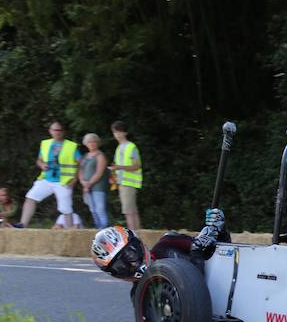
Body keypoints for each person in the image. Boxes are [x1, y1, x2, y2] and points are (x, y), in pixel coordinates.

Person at [92, 208, 230, 284]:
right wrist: (196, 255)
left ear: (138, 243)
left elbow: (218, 252)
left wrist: (218, 229)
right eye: (121, 267)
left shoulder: (168, 243)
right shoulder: (140, 299)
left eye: (130, 254)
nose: (133, 265)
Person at [14, 121, 81, 228]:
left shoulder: (71, 146)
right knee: (30, 197)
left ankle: (70, 232)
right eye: (54, 130)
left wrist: (75, 179)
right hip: (46, 179)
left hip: (63, 181)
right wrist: (41, 165)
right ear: (50, 131)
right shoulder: (45, 144)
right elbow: (39, 160)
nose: (57, 132)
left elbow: (80, 164)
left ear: (63, 132)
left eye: (59, 130)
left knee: (66, 208)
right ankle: (22, 224)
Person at [108, 120, 143, 231]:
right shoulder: (119, 148)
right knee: (132, 211)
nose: (117, 134)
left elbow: (136, 165)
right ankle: (138, 233)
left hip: (128, 183)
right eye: (115, 132)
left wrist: (119, 167)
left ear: (125, 132)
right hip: (123, 182)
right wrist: (114, 176)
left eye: (119, 131)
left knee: (128, 212)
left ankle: (133, 234)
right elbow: (118, 167)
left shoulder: (130, 147)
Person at [78, 133, 110, 228]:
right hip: (87, 186)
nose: (92, 144)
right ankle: (98, 229)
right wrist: (83, 182)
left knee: (100, 209)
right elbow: (80, 171)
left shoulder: (100, 156)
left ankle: (105, 229)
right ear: (86, 143)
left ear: (97, 143)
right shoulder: (84, 156)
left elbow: (99, 172)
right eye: (89, 142)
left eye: (94, 141)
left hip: (98, 187)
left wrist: (88, 184)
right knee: (92, 209)